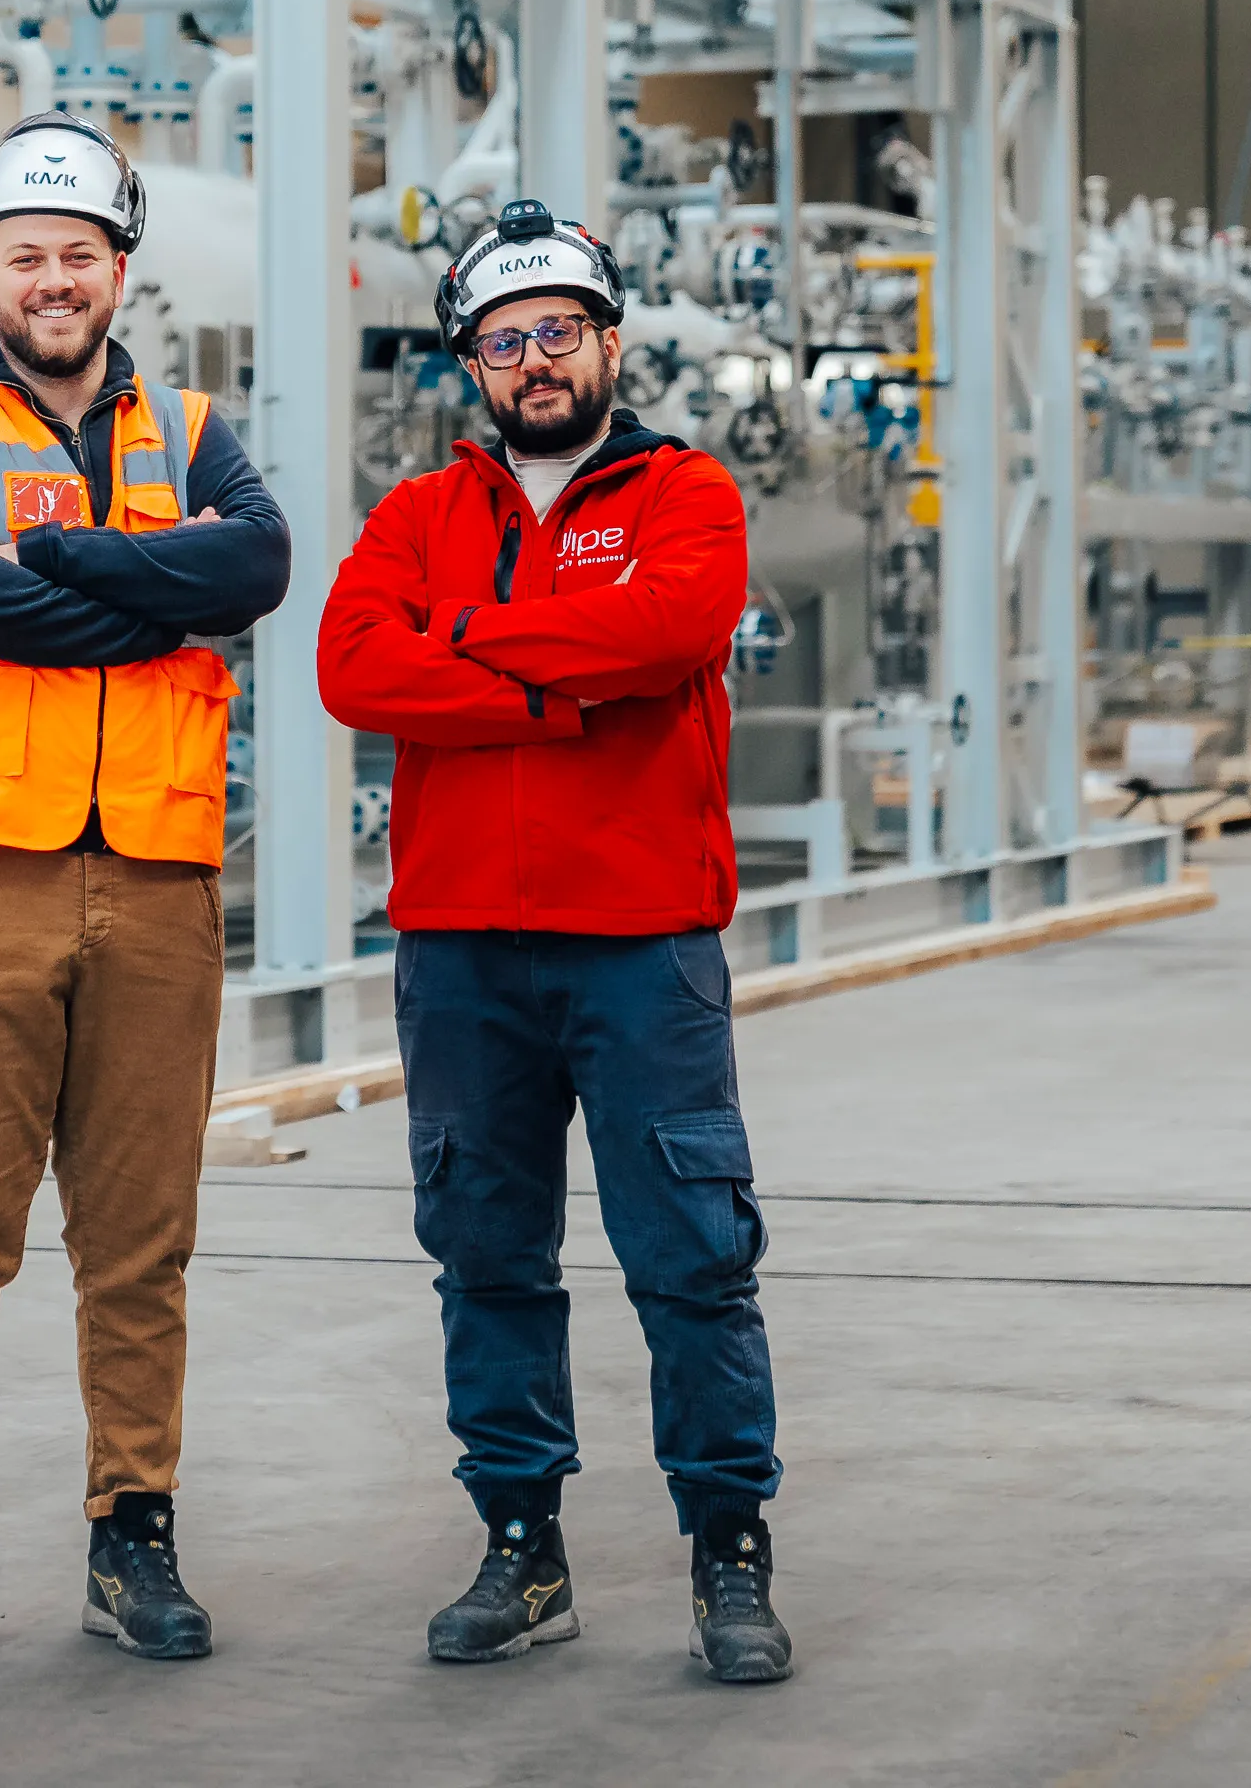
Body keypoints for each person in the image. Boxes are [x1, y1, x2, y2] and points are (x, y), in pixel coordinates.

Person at [316, 197, 790, 1684]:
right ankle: (521, 1550)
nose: (536, 360)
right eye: (506, 340)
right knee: (486, 1256)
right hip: (460, 951)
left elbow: (670, 633)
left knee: (692, 1259)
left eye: (560, 332)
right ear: (472, 363)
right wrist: (562, 685)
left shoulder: (686, 493)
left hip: (641, 944)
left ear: (609, 342)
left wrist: (458, 643)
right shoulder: (416, 516)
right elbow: (351, 668)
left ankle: (729, 1557)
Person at [0, 109, 291, 1677]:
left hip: (158, 878)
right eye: (25, 255)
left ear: (120, 270)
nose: (54, 279)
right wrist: (148, 587)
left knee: (139, 1244)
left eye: (80, 254)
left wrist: (60, 565)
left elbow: (255, 569)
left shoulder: (196, 428)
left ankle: (133, 1536)